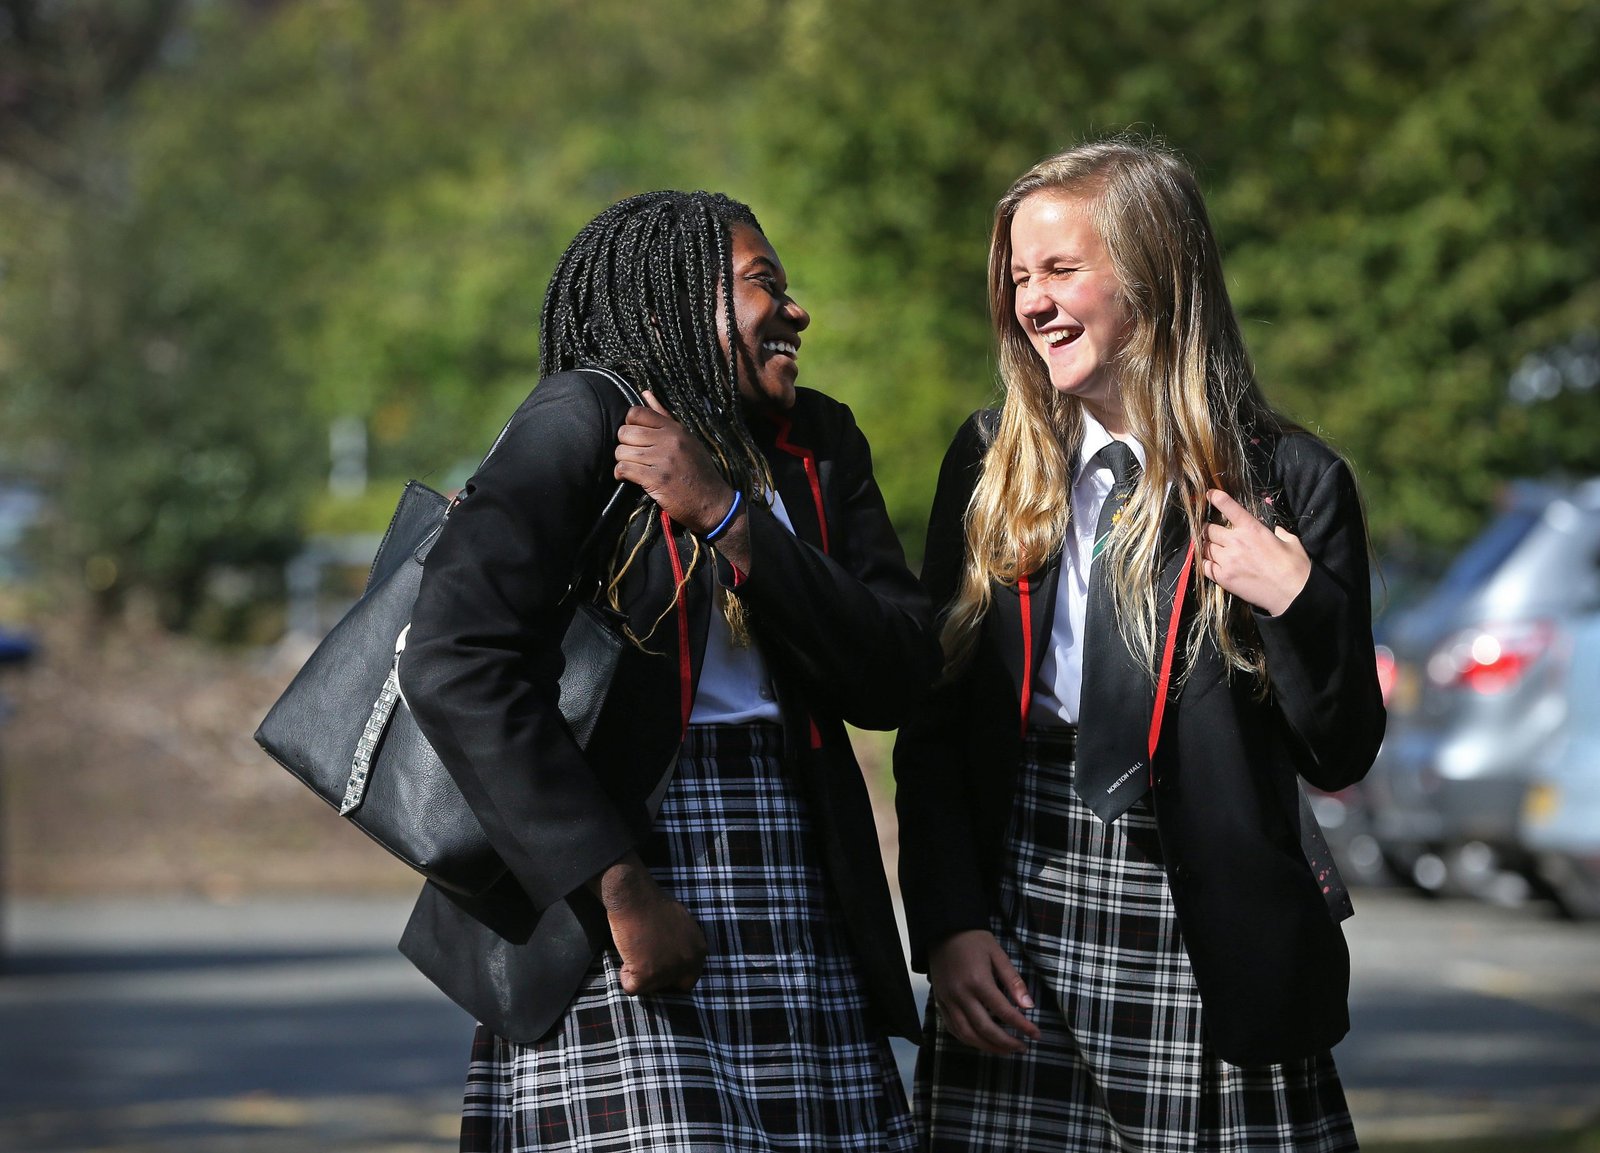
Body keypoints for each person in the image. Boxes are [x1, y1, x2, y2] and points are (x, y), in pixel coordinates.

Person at [397, 190, 937, 1152]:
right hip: (618, 876)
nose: (797, 310)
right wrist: (620, 893)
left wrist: (729, 517)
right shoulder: (583, 419)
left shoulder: (821, 442)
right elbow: (454, 657)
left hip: (798, 870)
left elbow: (896, 674)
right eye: (763, 284)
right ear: (670, 307)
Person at [894, 137, 1386, 1151]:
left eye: (1061, 270)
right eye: (1019, 276)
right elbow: (934, 725)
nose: (1031, 301)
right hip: (1014, 897)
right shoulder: (990, 463)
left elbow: (1339, 750)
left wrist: (1296, 599)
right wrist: (947, 921)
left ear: (1154, 276)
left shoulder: (1290, 480)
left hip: (1209, 921)